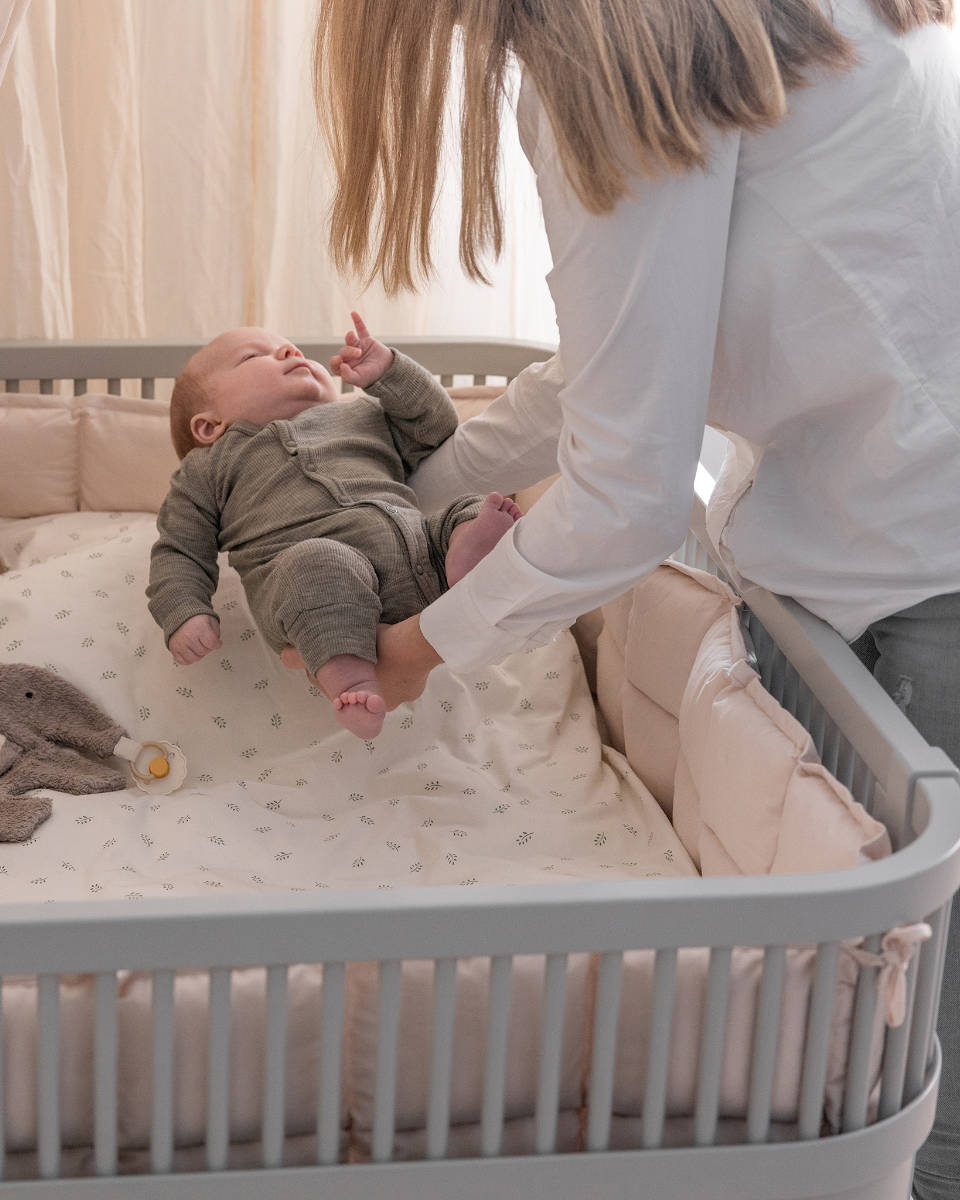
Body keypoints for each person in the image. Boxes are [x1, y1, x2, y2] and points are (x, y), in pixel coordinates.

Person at [309, 1, 959, 1194]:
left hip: (921, 555)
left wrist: (412, 651)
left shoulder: (613, 62)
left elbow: (624, 499)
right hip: (889, 520)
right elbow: (613, 369)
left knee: (913, 1067)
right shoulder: (717, 31)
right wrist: (415, 490)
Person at [146, 314, 521, 739]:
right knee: (317, 562)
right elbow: (179, 549)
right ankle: (353, 680)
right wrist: (184, 611)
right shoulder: (206, 469)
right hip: (318, 587)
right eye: (253, 356)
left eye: (294, 349)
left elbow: (436, 428)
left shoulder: (364, 415)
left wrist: (389, 372)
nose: (290, 351)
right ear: (209, 425)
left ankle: (464, 563)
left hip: (417, 550)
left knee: (469, 511)